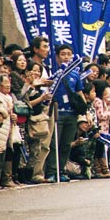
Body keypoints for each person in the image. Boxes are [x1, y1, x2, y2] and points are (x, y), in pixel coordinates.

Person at [45, 44, 83, 182]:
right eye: (63, 54)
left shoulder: (75, 74)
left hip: (71, 113)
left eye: (68, 54)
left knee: (66, 144)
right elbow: (46, 86)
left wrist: (84, 112)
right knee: (55, 143)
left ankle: (61, 170)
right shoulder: (53, 72)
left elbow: (79, 93)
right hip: (57, 112)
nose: (66, 57)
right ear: (57, 56)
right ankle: (51, 171)